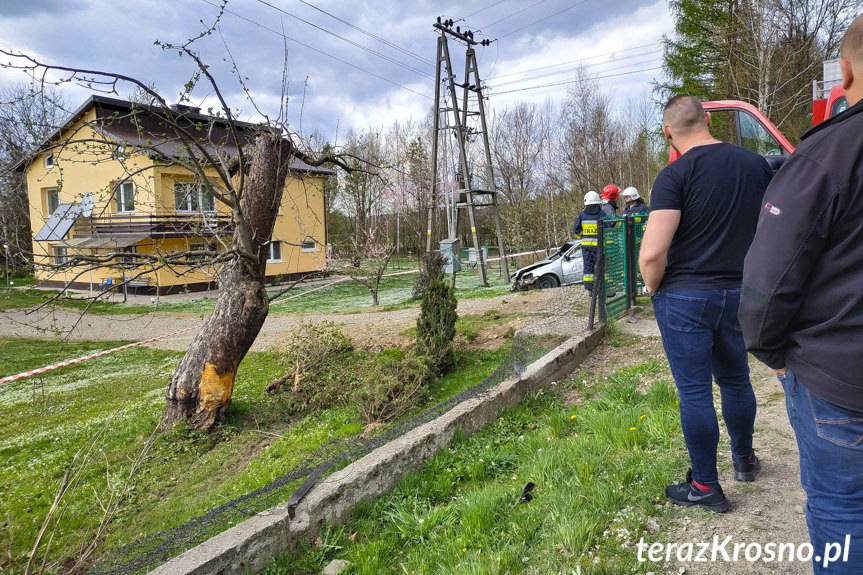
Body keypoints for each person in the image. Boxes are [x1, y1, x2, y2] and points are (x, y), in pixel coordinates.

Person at [739, 17, 863, 573]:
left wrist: (771, 350)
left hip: (841, 381)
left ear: (848, 68)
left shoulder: (829, 155)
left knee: (844, 516)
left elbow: (771, 275)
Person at [638, 95, 773, 513]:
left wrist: (653, 288)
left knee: (694, 391)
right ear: (709, 118)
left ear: (667, 131)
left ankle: (705, 485)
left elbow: (652, 254)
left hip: (685, 297)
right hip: (739, 292)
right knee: (736, 381)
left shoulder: (674, 174)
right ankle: (745, 459)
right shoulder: (756, 166)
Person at [573, 190, 603, 291]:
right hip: (599, 246)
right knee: (601, 267)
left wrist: (582, 237)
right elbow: (609, 226)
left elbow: (576, 230)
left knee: (588, 268)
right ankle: (603, 288)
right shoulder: (602, 214)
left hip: (586, 247)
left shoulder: (582, 215)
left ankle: (590, 290)